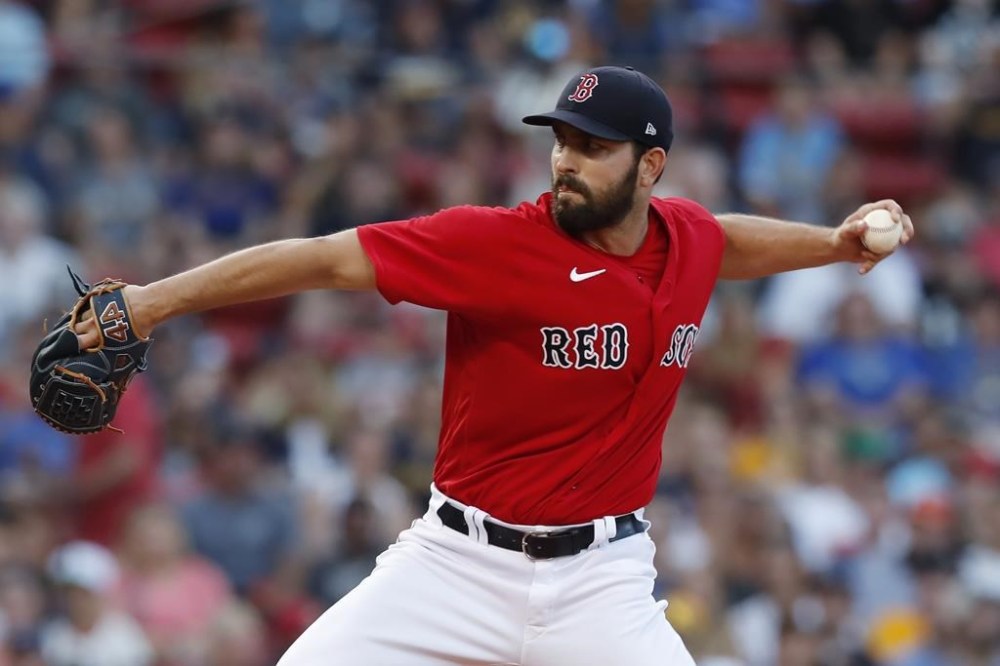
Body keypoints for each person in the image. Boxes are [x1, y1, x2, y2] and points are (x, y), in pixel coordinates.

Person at [73, 66, 914, 665]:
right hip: (455, 563)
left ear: (650, 168)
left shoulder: (686, 236)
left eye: (594, 147)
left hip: (602, 580)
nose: (566, 161)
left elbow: (729, 240)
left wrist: (833, 245)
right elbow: (327, 259)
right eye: (562, 141)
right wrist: (149, 303)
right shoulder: (499, 242)